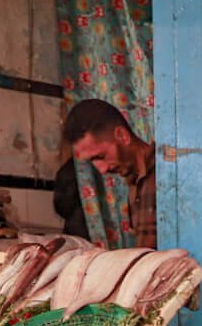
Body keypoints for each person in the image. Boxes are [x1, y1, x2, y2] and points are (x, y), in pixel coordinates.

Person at [62, 99, 156, 249]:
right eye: (92, 161)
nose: (102, 169)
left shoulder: (165, 171)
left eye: (100, 156)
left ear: (122, 135)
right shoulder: (134, 184)